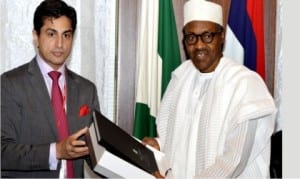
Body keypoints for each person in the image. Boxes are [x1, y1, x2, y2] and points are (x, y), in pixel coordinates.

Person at [143, 0, 277, 178]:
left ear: (221, 36)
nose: (199, 45)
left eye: (207, 36)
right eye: (191, 37)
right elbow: (182, 138)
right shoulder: (180, 78)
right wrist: (159, 145)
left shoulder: (246, 85)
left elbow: (233, 162)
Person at [1, 0, 100, 178]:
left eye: (66, 35)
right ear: (36, 36)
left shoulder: (87, 89)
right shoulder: (9, 84)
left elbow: (97, 153)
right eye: (51, 34)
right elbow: (3, 152)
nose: (60, 44)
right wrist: (56, 152)